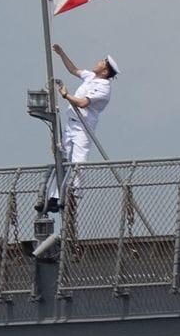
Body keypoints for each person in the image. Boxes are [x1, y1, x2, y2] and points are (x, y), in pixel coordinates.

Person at [37, 44, 120, 213]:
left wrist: (66, 95)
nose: (98, 61)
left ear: (105, 71)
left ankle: (73, 192)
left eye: (102, 62)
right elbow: (73, 70)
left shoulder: (104, 88)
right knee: (63, 158)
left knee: (78, 160)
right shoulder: (90, 76)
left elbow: (83, 103)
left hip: (83, 126)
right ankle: (54, 196)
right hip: (72, 122)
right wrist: (61, 54)